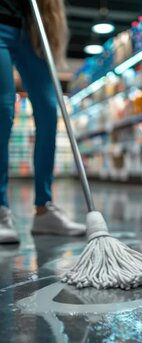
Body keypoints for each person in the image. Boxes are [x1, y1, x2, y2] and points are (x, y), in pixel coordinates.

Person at [0, 0, 86, 243]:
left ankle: (44, 209)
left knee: (49, 109)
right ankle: (0, 210)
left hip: (29, 28)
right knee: (3, 111)